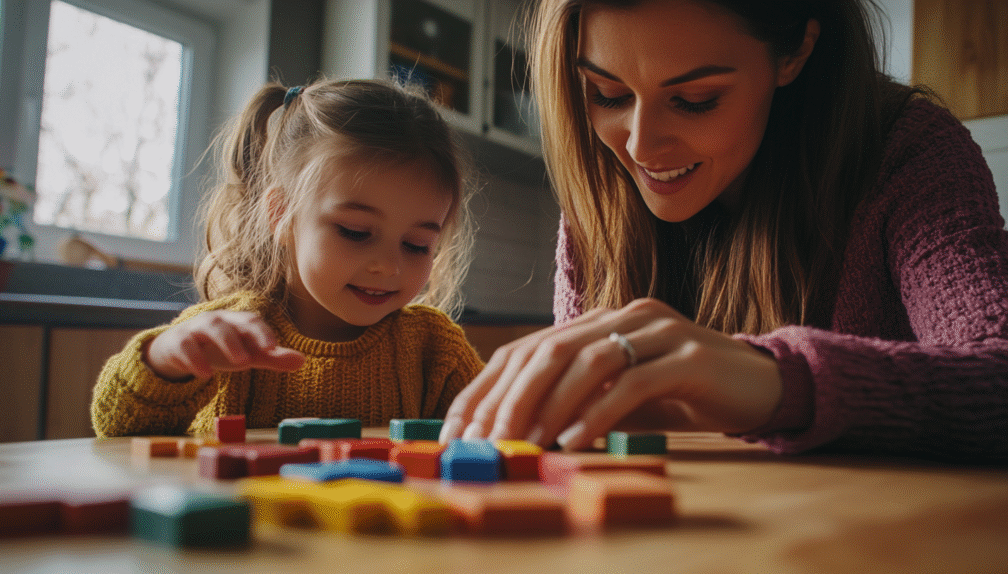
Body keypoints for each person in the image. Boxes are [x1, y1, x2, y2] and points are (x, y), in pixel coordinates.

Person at [440, 0, 1008, 462]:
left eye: (694, 100)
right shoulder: (604, 189)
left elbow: (997, 378)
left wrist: (773, 381)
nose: (640, 147)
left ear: (793, 52)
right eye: (608, 94)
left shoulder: (908, 152)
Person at [92, 78, 484, 438]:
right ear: (281, 214)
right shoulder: (225, 335)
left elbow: (504, 437)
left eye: (416, 245)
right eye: (355, 232)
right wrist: (163, 361)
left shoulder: (434, 349)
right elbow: (116, 427)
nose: (389, 266)